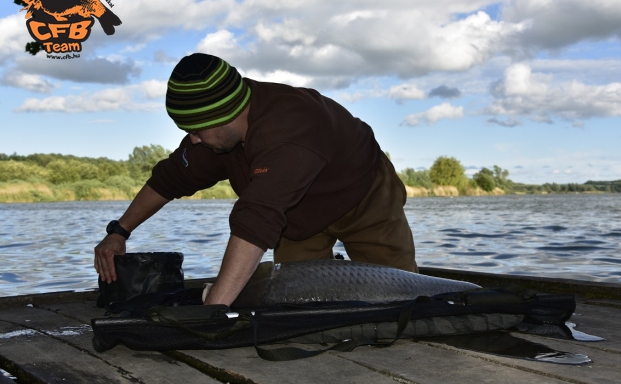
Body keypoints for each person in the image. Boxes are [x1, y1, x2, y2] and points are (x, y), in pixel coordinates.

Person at [94, 54, 417, 306]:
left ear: (226, 114)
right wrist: (119, 232)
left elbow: (257, 217)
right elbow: (170, 179)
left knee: (402, 292)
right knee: (298, 300)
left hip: (362, 196)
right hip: (294, 215)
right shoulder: (214, 135)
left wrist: (214, 310)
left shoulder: (291, 129)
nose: (192, 140)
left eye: (196, 130)